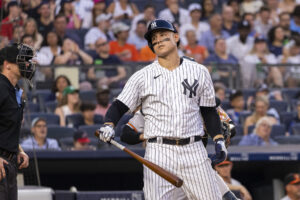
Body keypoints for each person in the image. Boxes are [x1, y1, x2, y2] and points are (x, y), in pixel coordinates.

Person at [97, 19, 227, 199]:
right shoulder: (142, 76)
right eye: (154, 39)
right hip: (159, 152)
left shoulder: (199, 71)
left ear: (176, 37)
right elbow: (119, 106)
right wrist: (109, 124)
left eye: (162, 36)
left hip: (194, 150)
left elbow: (208, 110)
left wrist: (218, 139)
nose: (157, 41)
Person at [120, 98, 239, 200]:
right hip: (165, 164)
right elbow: (126, 134)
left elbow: (231, 126)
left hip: (194, 161)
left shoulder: (202, 103)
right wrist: (148, 134)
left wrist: (220, 133)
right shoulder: (152, 108)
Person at [0, 43, 35, 200]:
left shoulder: (14, 90)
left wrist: (18, 149)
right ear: (7, 65)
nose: (27, 64)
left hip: (10, 161)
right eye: (22, 60)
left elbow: (6, 127)